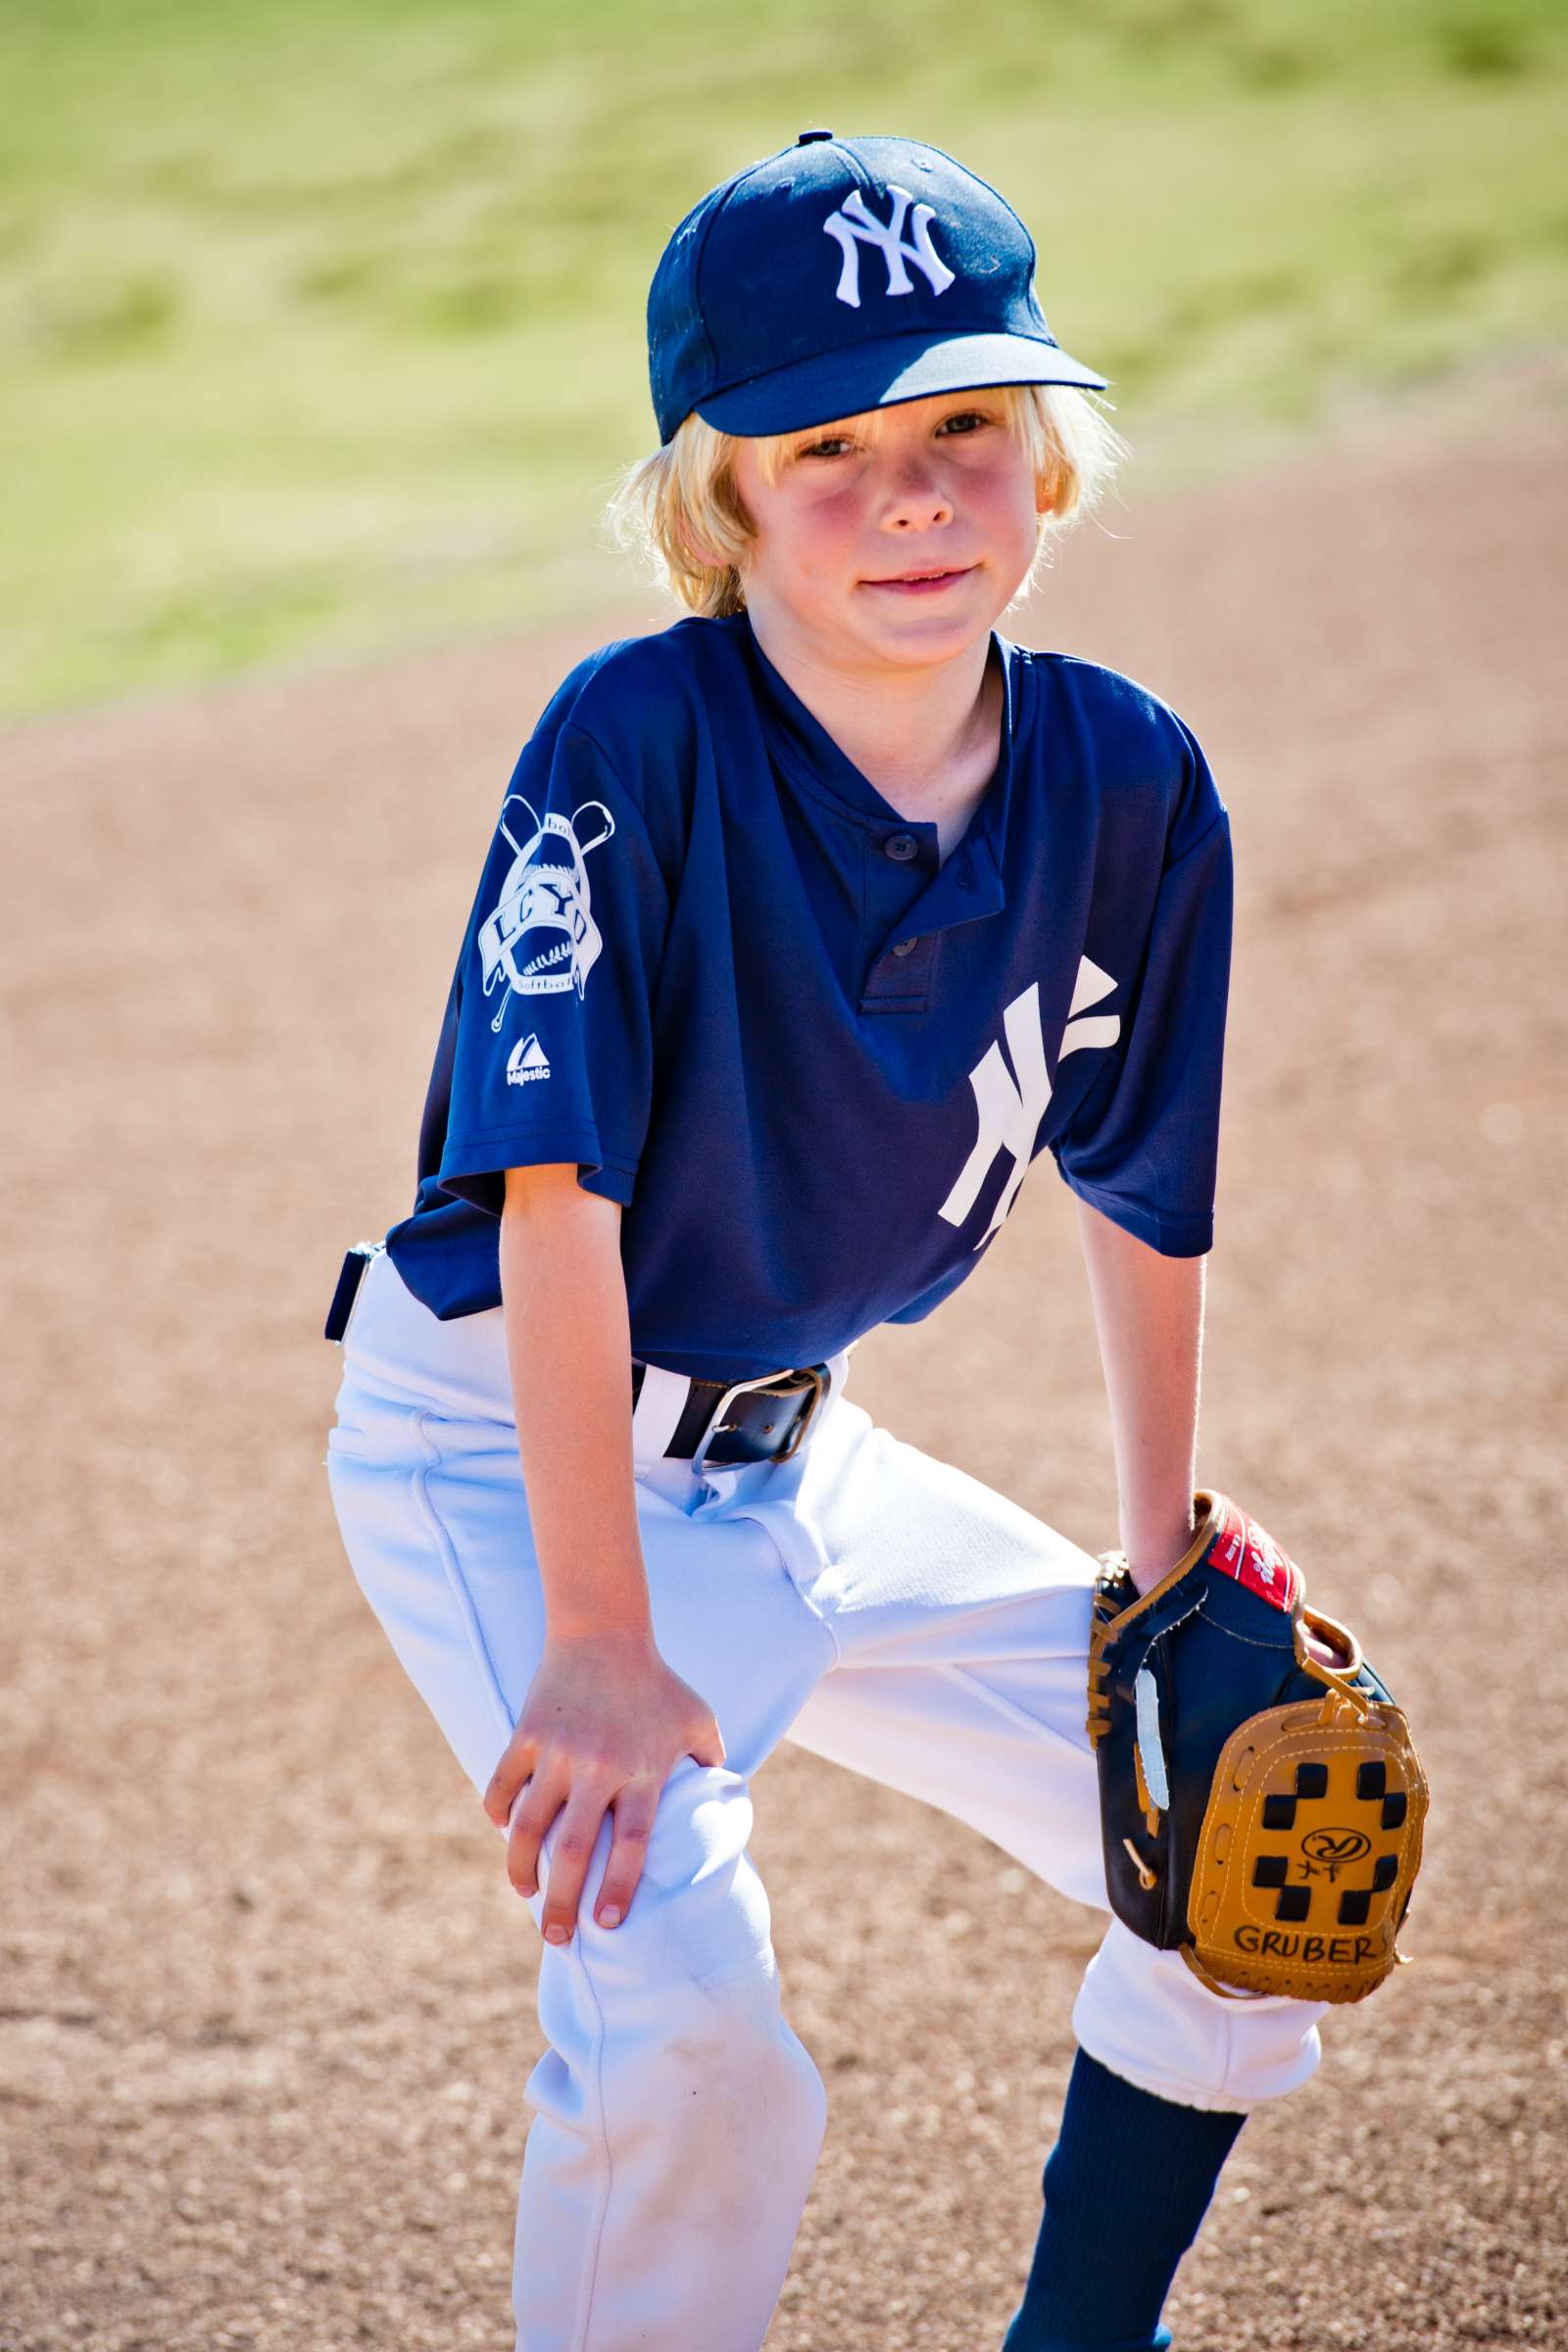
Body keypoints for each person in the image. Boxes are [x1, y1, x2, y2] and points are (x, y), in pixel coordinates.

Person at [324, 130, 1328, 2352]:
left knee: (1249, 1855)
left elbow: (1139, 1188)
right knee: (687, 2041)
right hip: (510, 1443)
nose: (908, 493)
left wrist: (1158, 1557)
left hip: (799, 1463)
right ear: (717, 504)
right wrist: (593, 1631)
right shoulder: (639, 737)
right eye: (826, 447)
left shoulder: (1125, 778)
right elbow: (552, 1197)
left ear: (1044, 463)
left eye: (963, 423)